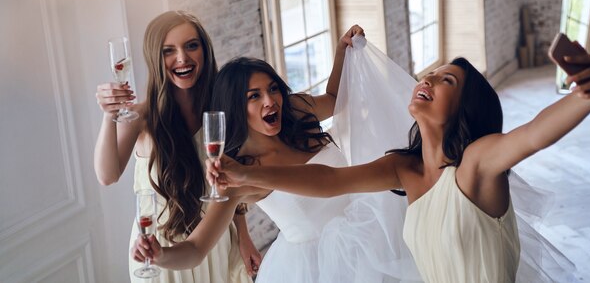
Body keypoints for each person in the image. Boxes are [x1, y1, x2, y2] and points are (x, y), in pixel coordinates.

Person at [208, 34, 590, 283]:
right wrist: (246, 174)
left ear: (464, 108)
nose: (428, 80)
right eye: (430, 73)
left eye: (446, 80)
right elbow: (329, 182)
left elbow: (531, 136)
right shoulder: (403, 168)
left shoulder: (475, 165)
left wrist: (589, 94)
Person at [131, 26, 422, 283]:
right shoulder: (240, 174)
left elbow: (334, 101)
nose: (270, 101)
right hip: (316, 269)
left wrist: (340, 54)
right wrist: (159, 255)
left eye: (272, 89)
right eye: (253, 96)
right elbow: (195, 250)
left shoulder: (295, 111)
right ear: (235, 109)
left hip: (369, 230)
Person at [94, 10, 257, 282]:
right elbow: (107, 175)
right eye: (168, 50)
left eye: (191, 46)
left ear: (205, 50)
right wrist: (108, 114)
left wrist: (244, 236)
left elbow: (231, 187)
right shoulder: (142, 119)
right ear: (154, 59)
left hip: (212, 243)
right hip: (159, 253)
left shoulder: (220, 113)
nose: (182, 58)